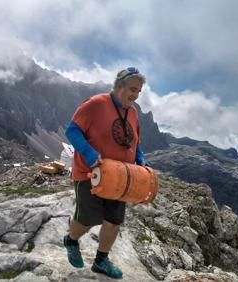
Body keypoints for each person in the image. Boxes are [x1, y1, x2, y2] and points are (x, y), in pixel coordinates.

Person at [63, 67, 149, 279]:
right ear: (118, 86)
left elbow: (134, 141)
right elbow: (72, 131)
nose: (135, 95)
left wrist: (140, 158)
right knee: (87, 219)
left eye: (139, 91)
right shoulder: (95, 104)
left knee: (113, 221)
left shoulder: (133, 112)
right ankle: (71, 240)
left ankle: (101, 260)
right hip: (90, 174)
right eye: (132, 89)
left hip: (121, 177)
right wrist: (90, 154)